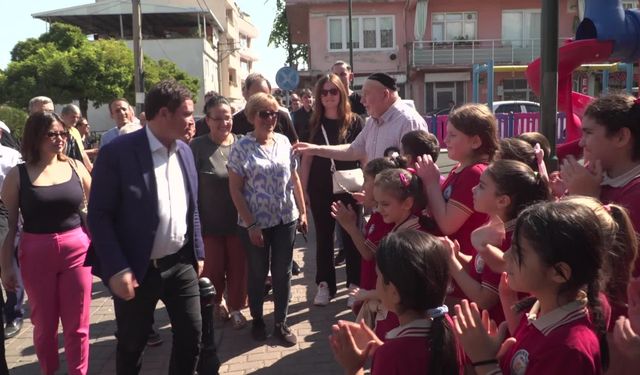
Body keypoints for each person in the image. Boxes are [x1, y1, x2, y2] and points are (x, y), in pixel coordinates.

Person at [88, 80, 211, 374]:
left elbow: (191, 206)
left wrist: (198, 248)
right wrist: (117, 268)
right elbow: (99, 216)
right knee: (132, 343)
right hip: (136, 268)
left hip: (180, 263)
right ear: (164, 114)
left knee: (192, 335)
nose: (192, 120)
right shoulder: (118, 153)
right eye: (186, 113)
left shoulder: (184, 151)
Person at [453, 200, 609, 375]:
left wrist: (484, 361)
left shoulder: (568, 349)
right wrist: (493, 356)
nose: (505, 255)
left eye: (519, 251)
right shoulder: (541, 314)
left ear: (560, 273)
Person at [0, 112, 93, 375]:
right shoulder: (18, 176)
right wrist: (5, 266)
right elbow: (6, 224)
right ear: (36, 137)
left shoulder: (76, 166)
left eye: (62, 133)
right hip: (36, 254)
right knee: (44, 325)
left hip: (78, 252)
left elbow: (97, 211)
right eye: (52, 134)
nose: (60, 139)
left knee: (78, 326)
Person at [227, 92, 307, 346]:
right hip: (255, 224)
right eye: (264, 113)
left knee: (282, 273)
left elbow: (294, 179)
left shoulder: (283, 142)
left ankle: (281, 323)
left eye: (274, 113)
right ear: (252, 117)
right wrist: (250, 223)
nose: (270, 119)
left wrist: (303, 211)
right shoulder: (241, 148)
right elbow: (235, 190)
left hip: (286, 219)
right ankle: (259, 319)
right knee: (258, 272)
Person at [330, 230, 463, 375]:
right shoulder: (450, 329)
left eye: (378, 276)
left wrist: (354, 368)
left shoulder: (391, 356)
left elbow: (401, 359)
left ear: (394, 292)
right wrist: (379, 347)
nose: (375, 283)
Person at [447, 160, 550, 323]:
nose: (473, 189)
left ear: (502, 201)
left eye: (481, 186)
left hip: (502, 331)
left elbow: (485, 299)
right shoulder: (497, 226)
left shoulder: (512, 239)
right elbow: (479, 268)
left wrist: (451, 262)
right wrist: (455, 254)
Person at [300, 74, 364, 307]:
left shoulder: (355, 121)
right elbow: (306, 159)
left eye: (333, 91)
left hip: (349, 186)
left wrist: (369, 186)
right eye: (324, 92)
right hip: (320, 187)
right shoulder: (313, 122)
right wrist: (303, 190)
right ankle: (324, 284)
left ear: (341, 93)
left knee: (351, 236)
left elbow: (363, 155)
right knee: (324, 238)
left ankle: (354, 284)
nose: (328, 96)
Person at [560, 93, 640, 276]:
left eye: (588, 133)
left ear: (621, 137)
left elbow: (614, 264)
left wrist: (585, 199)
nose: (581, 143)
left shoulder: (635, 193)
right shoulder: (593, 178)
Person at [190, 95, 247, 329]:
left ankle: (236, 308)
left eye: (228, 117)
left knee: (239, 267)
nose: (224, 123)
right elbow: (190, 185)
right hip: (209, 223)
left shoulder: (242, 143)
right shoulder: (197, 146)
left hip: (240, 220)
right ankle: (216, 302)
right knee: (213, 268)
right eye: (218, 119)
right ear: (208, 120)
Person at [415, 104, 499, 256]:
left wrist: (431, 183)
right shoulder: (460, 168)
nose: (445, 140)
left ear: (475, 142)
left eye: (453, 135)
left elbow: (447, 225)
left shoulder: (475, 173)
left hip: (462, 261)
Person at [294, 72, 427, 165]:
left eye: (366, 95)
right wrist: (315, 149)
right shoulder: (374, 122)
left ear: (385, 94)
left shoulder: (409, 122)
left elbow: (414, 171)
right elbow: (353, 150)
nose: (362, 101)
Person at [0, 131, 21, 375]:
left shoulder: (11, 157)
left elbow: (7, 209)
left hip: (9, 225)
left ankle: (13, 313)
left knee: (11, 272)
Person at [232, 73, 298, 144]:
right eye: (256, 95)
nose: (261, 100)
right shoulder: (235, 121)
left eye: (265, 95)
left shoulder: (281, 116)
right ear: (246, 93)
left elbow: (295, 146)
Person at [60, 104, 93, 172]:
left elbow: (82, 153)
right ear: (63, 115)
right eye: (73, 117)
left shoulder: (75, 131)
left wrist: (91, 169)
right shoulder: (57, 132)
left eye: (77, 117)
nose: (76, 120)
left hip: (76, 168)